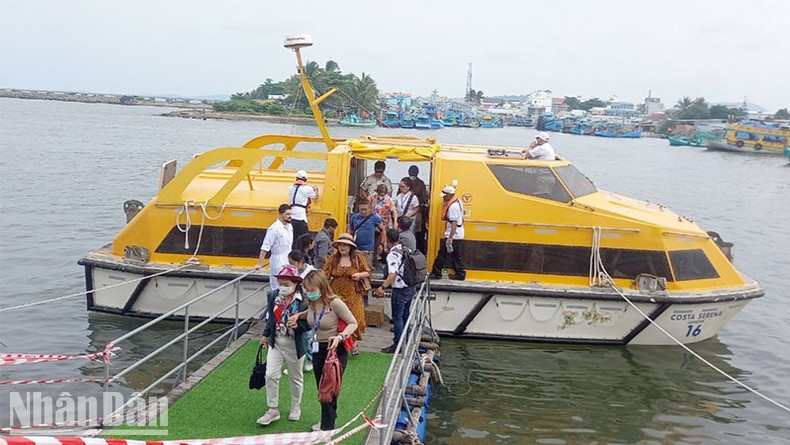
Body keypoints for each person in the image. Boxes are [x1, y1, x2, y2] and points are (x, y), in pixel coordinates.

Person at [289, 270, 358, 431]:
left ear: (322, 287)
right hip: (317, 349)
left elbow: (352, 323)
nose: (310, 294)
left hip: (334, 350)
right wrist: (298, 316)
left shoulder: (335, 304)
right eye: (307, 290)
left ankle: (327, 427)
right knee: (322, 389)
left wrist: (340, 337)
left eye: (313, 290)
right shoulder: (312, 303)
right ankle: (327, 420)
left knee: (329, 390)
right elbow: (312, 314)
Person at [256, 265, 310, 426]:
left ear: (295, 285)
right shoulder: (273, 296)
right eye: (280, 283)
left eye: (287, 284)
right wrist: (265, 335)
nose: (283, 287)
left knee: (296, 377)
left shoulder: (304, 301)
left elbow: (310, 324)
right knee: (270, 374)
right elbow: (271, 318)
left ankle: (295, 406)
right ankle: (273, 409)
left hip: (295, 344)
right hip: (277, 342)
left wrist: (297, 326)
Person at [322, 233, 371, 354]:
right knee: (336, 319)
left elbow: (368, 272)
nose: (342, 247)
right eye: (340, 245)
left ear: (351, 247)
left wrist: (359, 275)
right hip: (335, 294)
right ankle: (337, 342)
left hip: (353, 293)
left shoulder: (358, 258)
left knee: (356, 319)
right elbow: (324, 275)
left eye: (345, 245)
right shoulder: (333, 259)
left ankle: (353, 343)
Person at [375, 229, 414, 353]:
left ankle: (397, 345)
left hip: (400, 289)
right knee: (406, 316)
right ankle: (406, 341)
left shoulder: (393, 254)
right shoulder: (406, 249)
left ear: (387, 240)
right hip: (410, 287)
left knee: (397, 318)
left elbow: (393, 273)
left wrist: (383, 287)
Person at [429, 185, 466, 280]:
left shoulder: (453, 207)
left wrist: (450, 238)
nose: (443, 197)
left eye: (445, 195)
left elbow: (454, 222)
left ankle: (436, 273)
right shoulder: (458, 202)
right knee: (456, 255)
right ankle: (460, 274)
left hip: (453, 234)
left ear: (450, 195)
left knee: (442, 254)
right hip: (458, 234)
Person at [256, 204, 293, 290]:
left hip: (288, 261)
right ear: (280, 214)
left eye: (291, 214)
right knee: (277, 287)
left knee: (287, 287)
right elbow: (265, 247)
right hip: (278, 261)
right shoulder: (274, 229)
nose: (290, 216)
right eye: (287, 214)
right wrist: (259, 263)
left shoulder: (290, 227)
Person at [348, 200, 383, 270]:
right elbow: (350, 228)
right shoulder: (355, 217)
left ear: (369, 209)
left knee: (366, 270)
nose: (363, 211)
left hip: (368, 250)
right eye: (361, 210)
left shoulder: (375, 218)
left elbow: (383, 229)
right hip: (355, 248)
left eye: (365, 210)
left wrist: (381, 243)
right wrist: (348, 239)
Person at [288, 170, 318, 248]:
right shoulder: (307, 189)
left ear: (296, 178)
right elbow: (315, 196)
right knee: (304, 241)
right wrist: (315, 190)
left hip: (291, 217)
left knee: (292, 240)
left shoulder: (290, 188)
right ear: (306, 180)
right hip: (301, 218)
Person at [407, 165, 429, 253]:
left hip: (405, 212)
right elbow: (424, 198)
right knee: (418, 232)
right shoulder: (421, 183)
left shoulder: (405, 181)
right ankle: (418, 249)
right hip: (417, 211)